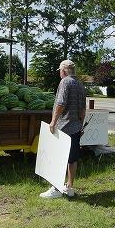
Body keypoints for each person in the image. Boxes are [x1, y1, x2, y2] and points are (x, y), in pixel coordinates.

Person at [40, 59, 86, 198]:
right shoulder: (80, 84)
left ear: (64, 71)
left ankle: (56, 189)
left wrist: (53, 121)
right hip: (76, 127)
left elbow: (60, 103)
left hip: (63, 127)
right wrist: (80, 124)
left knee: (57, 158)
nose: (59, 74)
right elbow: (83, 109)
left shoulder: (65, 82)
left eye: (60, 71)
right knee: (72, 159)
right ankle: (69, 188)